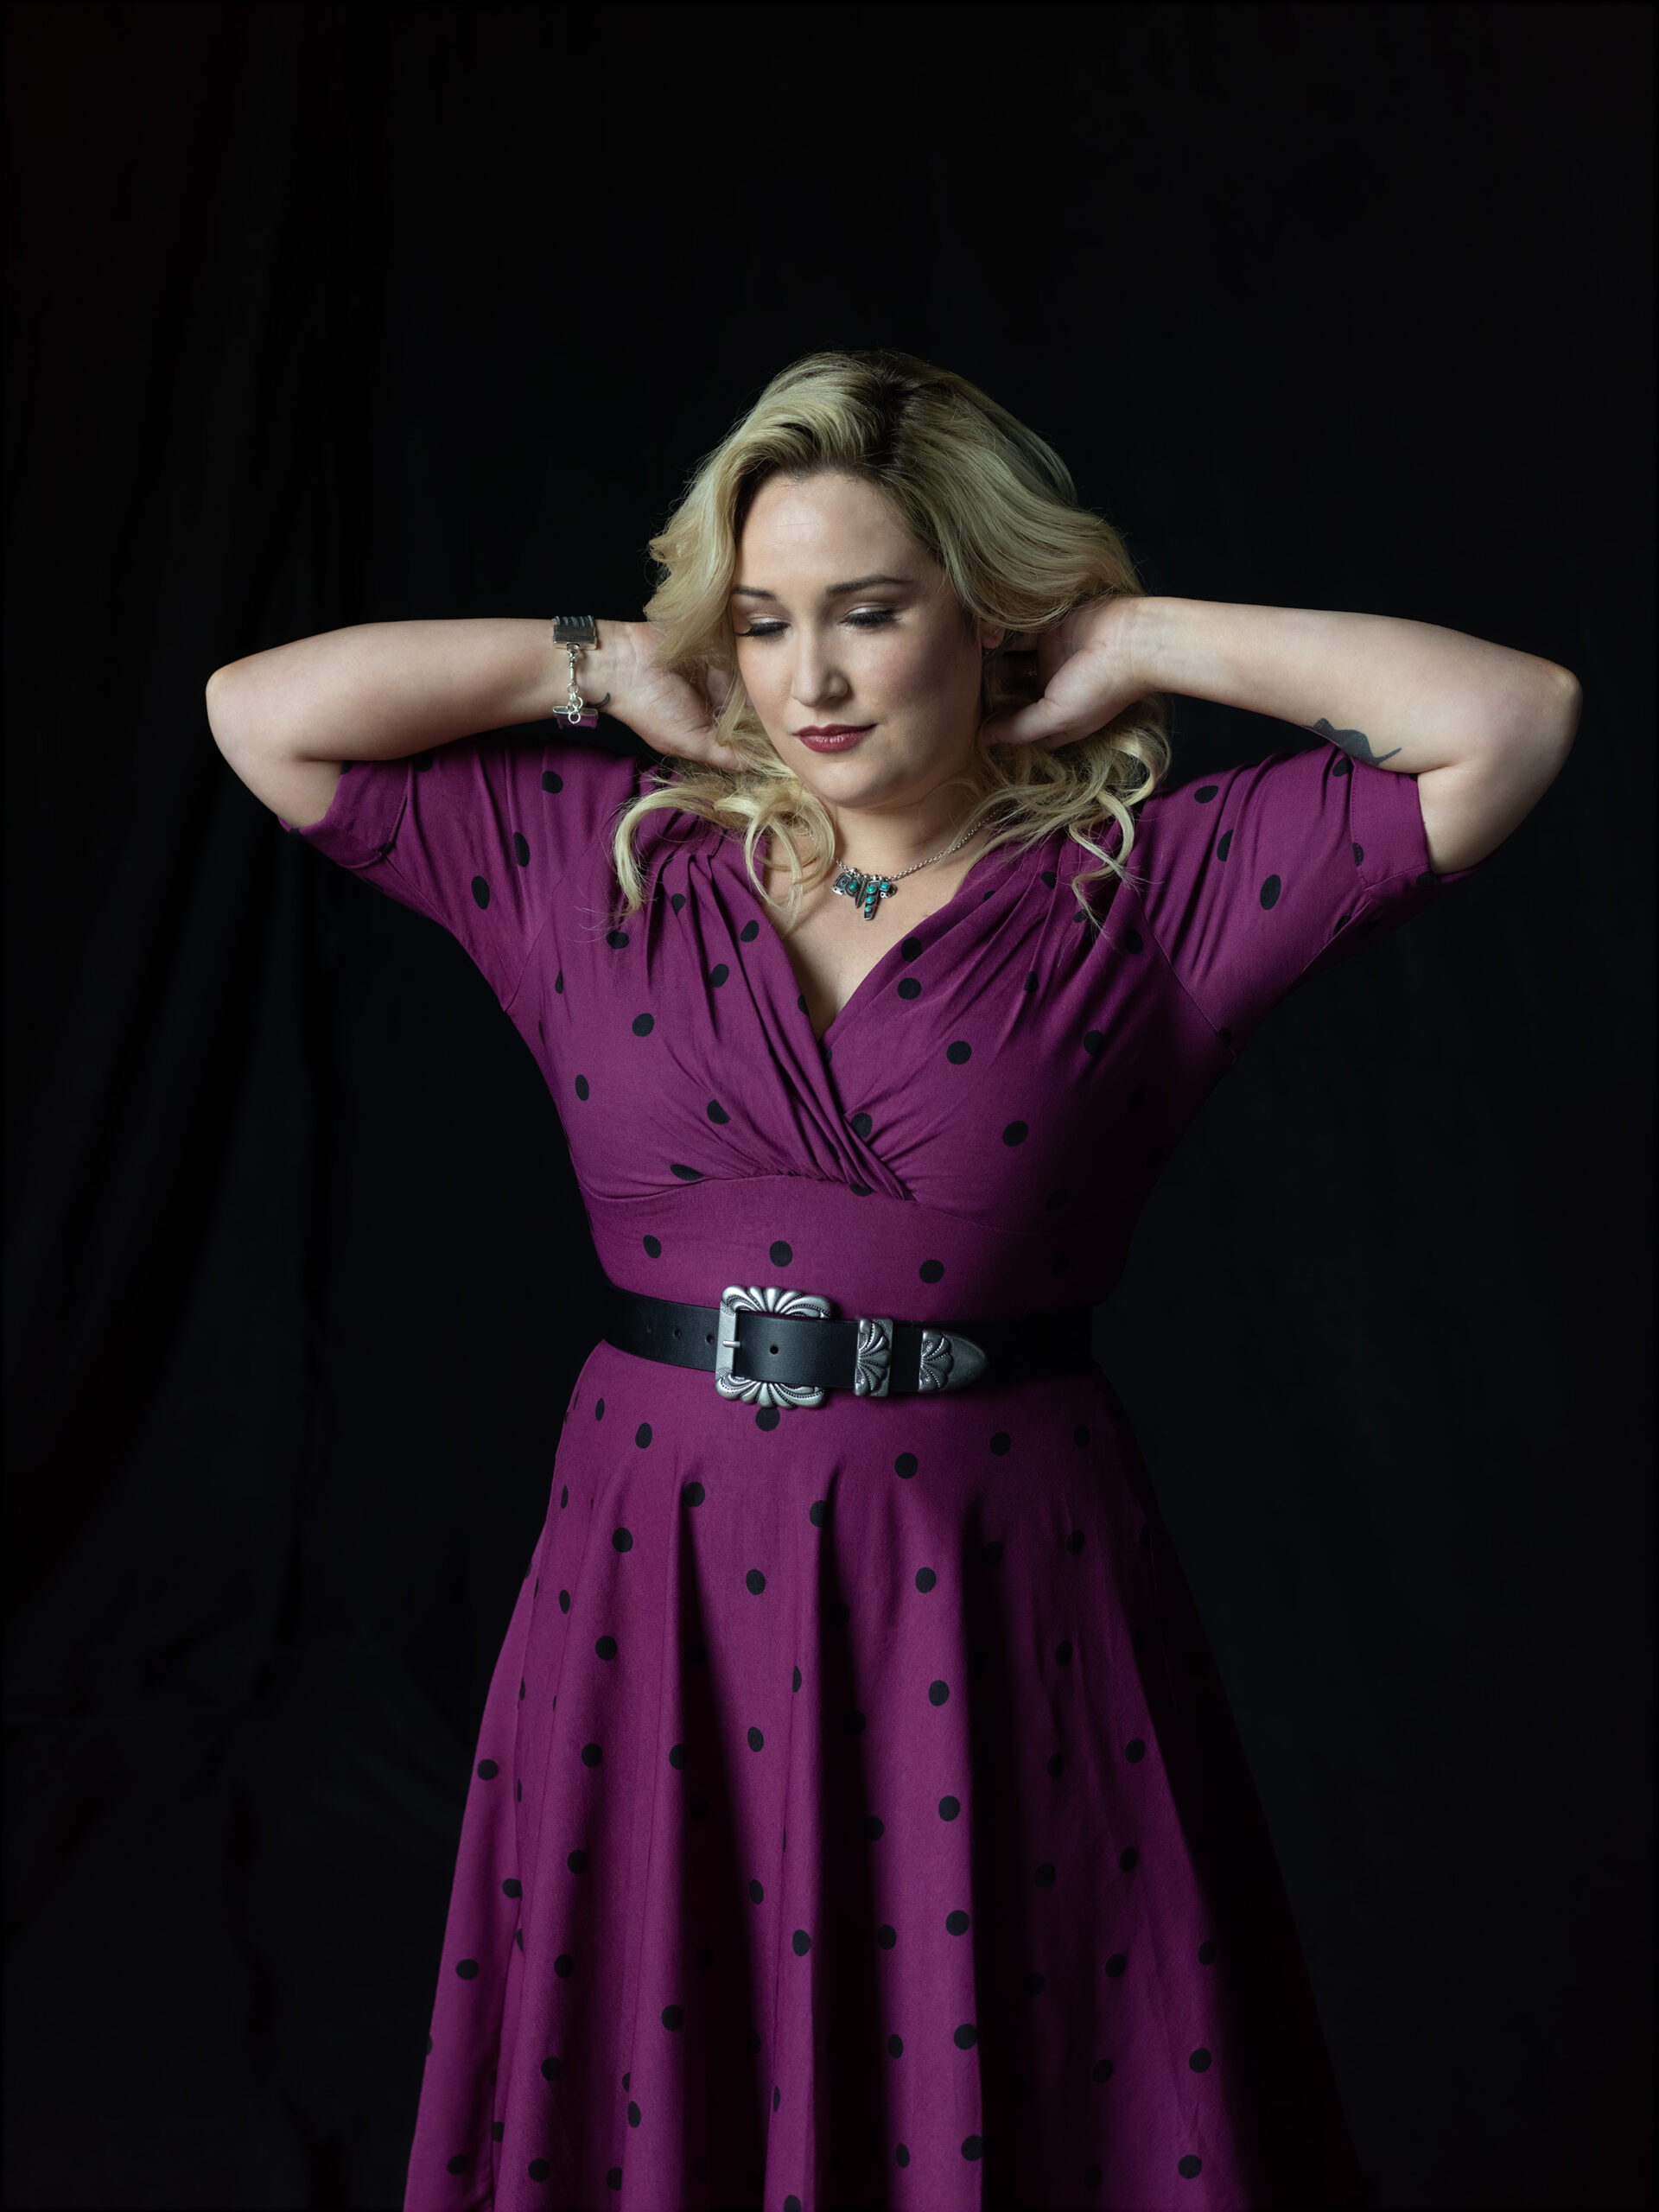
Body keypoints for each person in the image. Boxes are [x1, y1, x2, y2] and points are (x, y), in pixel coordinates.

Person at [207, 349, 1579, 2212]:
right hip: (654, 1573)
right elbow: (261, 715)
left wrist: (1140, 638)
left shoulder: (1145, 892)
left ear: (986, 613)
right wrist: (597, 663)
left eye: (869, 611)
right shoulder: (600, 863)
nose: (813, 681)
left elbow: (1512, 717)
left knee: (1006, 2068)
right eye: (768, 622)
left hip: (995, 1582)